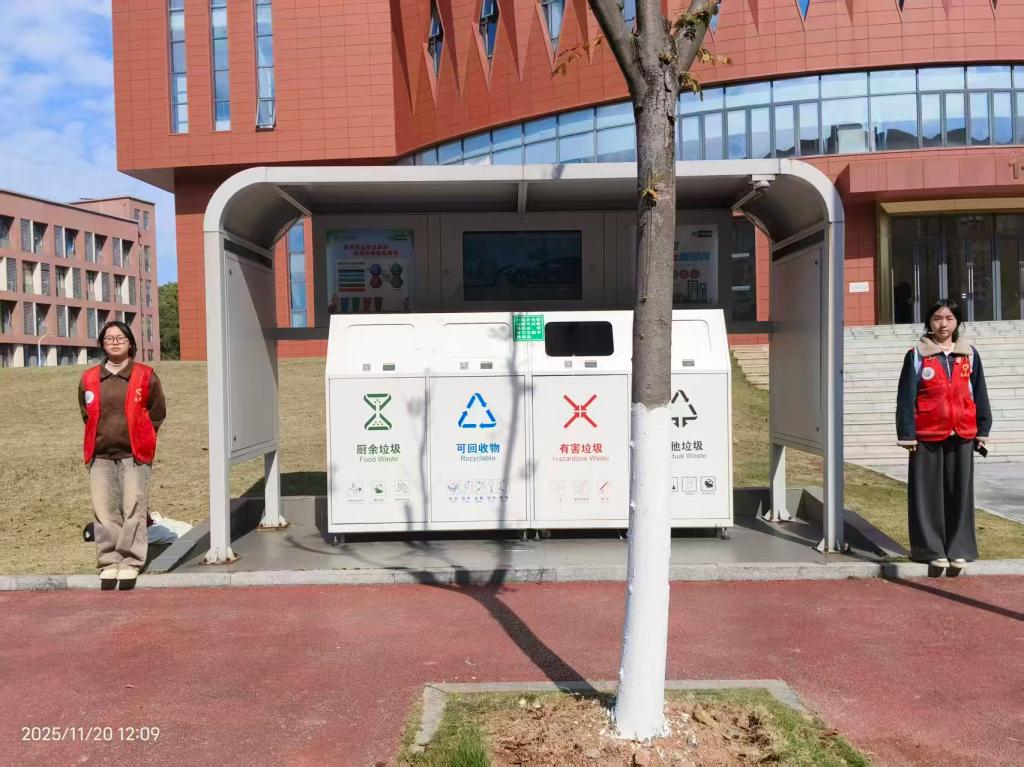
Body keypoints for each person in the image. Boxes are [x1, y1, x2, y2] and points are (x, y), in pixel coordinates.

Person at [896, 299, 991, 575]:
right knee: (927, 495)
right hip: (927, 434)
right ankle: (931, 550)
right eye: (938, 318)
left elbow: (979, 392)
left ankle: (959, 549)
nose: (943, 324)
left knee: (960, 493)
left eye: (949, 318)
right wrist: (907, 433)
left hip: (962, 433)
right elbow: (906, 397)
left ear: (957, 322)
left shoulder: (969, 354)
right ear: (929, 322)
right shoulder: (917, 355)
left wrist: (983, 429)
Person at [79, 321, 166, 590]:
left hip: (134, 454)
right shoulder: (89, 378)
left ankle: (130, 561)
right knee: (104, 511)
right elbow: (86, 413)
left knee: (133, 508)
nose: (115, 342)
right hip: (100, 454)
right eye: (109, 338)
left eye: (120, 338)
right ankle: (109, 561)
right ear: (102, 344)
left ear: (130, 343)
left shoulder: (145, 375)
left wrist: (144, 434)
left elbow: (157, 412)